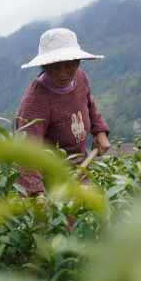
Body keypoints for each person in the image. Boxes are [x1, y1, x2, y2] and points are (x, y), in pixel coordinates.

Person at [16, 28, 111, 196]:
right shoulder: (35, 101)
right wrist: (36, 195)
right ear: (44, 66)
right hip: (51, 185)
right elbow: (27, 153)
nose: (63, 74)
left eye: (69, 66)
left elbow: (90, 106)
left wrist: (100, 131)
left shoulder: (81, 78)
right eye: (55, 67)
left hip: (81, 171)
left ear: (77, 62)